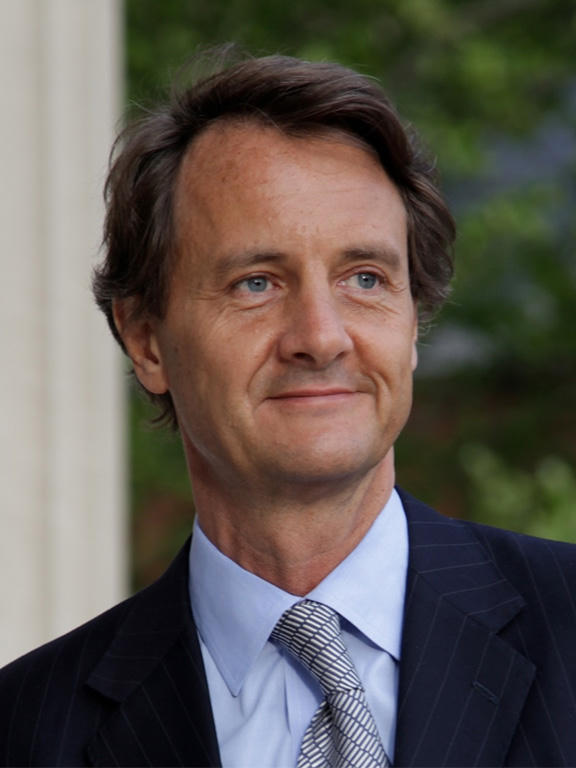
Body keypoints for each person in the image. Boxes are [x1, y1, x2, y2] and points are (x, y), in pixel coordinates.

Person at [1, 51, 575, 768]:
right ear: (147, 341)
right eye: (256, 283)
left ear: (413, 322)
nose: (322, 337)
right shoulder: (24, 730)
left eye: (365, 278)